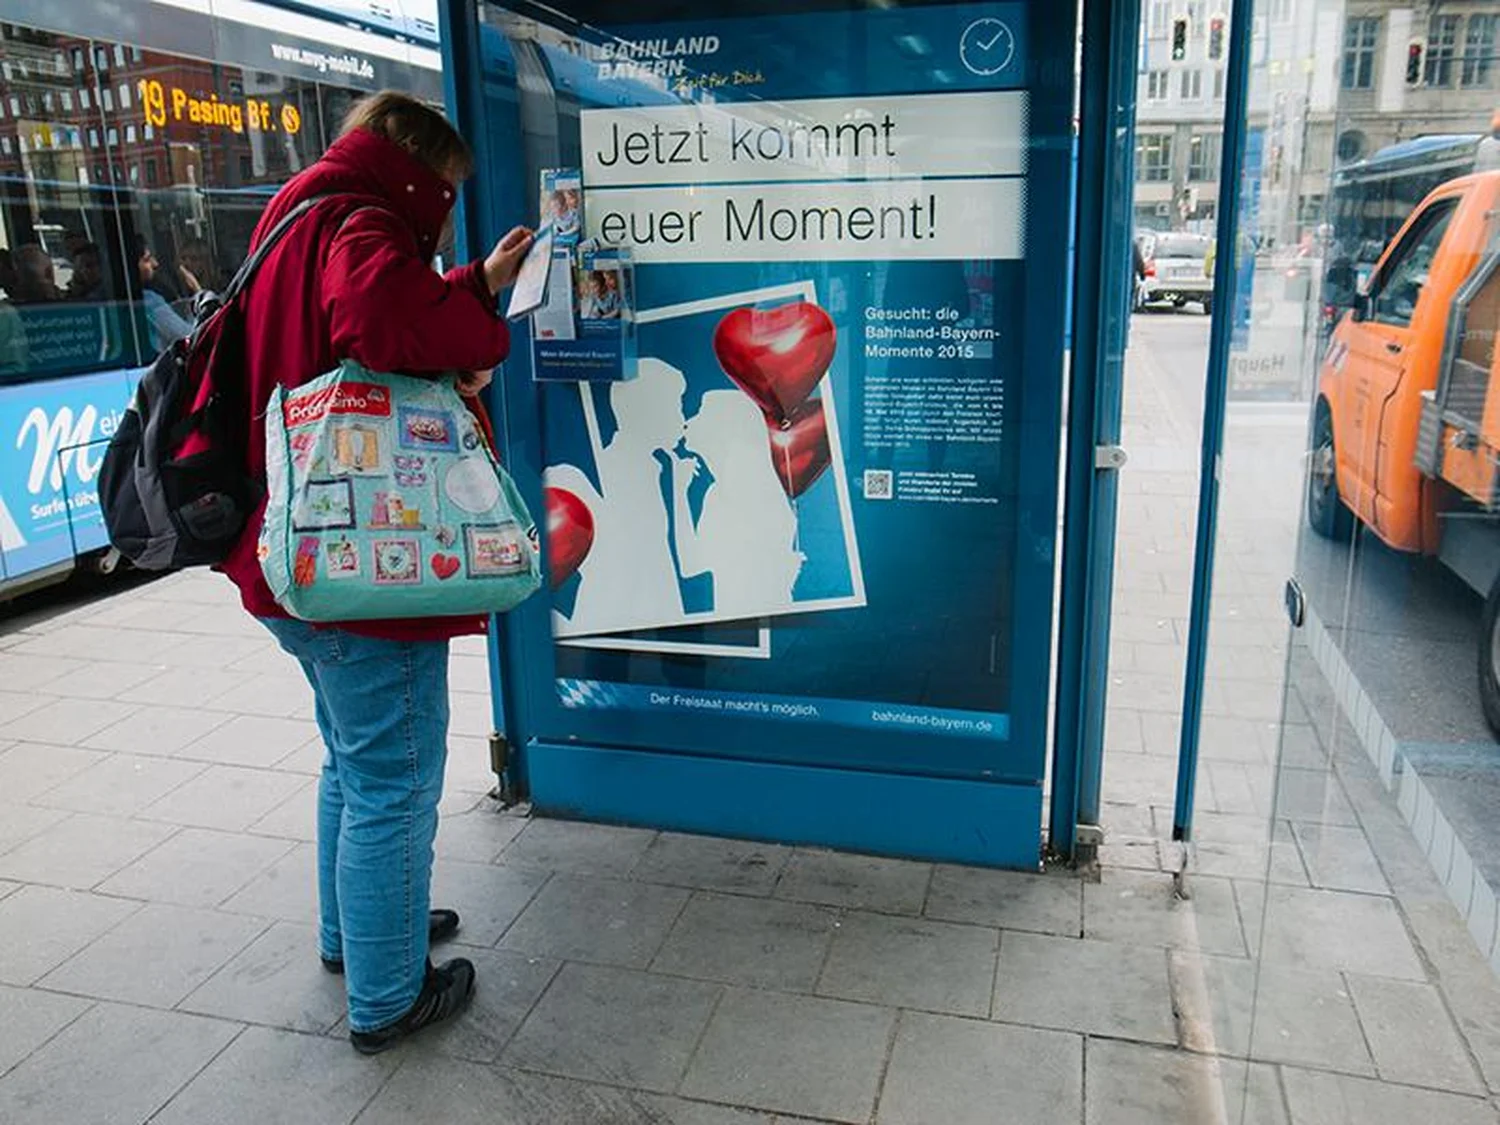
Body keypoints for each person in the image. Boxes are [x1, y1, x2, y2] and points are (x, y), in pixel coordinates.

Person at [219, 90, 533, 1054]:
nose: (443, 209)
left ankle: (354, 935)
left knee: (351, 762)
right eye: (443, 190)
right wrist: (482, 327)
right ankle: (390, 995)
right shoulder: (364, 222)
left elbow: (365, 313)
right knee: (393, 775)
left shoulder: (297, 214)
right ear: (416, 172)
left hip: (293, 553)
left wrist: (469, 283)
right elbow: (378, 313)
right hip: (364, 570)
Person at [135, 239, 194, 350]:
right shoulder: (149, 300)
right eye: (147, 260)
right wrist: (198, 291)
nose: (155, 264)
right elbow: (189, 337)